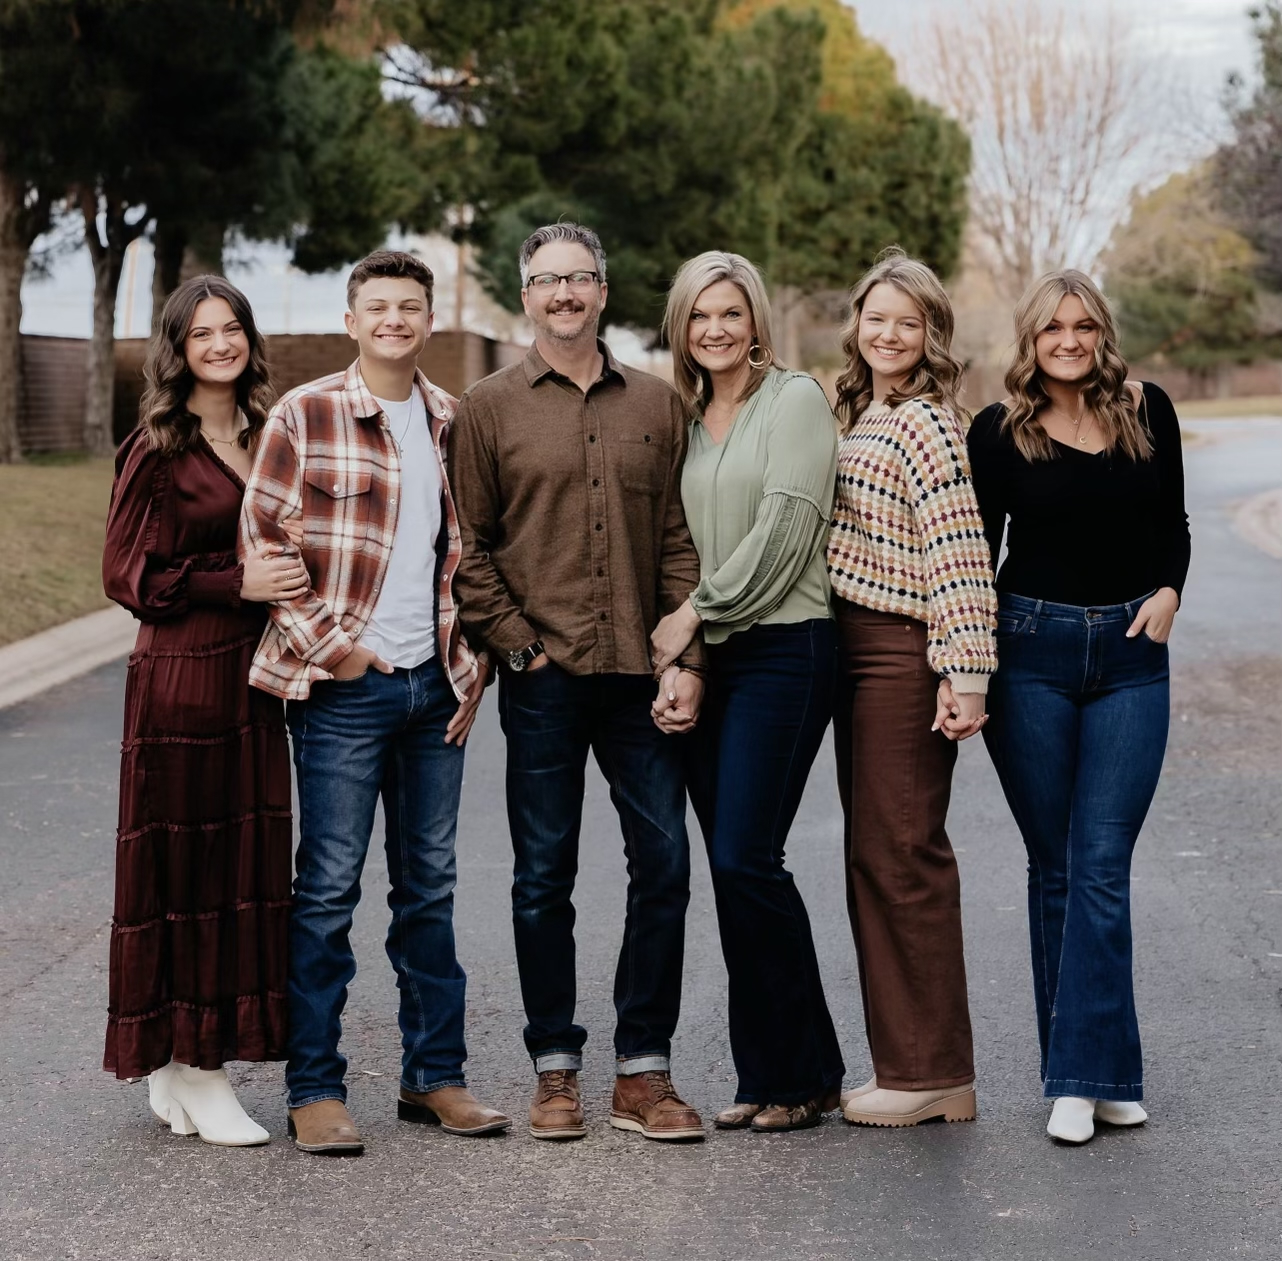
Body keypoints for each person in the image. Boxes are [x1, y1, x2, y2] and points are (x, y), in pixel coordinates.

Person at [239, 250, 509, 1156]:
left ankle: (434, 1076)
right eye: (377, 306)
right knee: (325, 893)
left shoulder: (454, 422)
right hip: (345, 692)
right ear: (351, 320)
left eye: (409, 306)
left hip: (435, 691)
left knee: (428, 890)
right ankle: (314, 1087)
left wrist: (469, 669)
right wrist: (336, 649)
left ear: (429, 321)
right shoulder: (304, 412)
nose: (394, 319)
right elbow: (265, 543)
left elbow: (474, 559)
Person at [448, 222, 706, 1143]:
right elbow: (469, 551)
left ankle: (644, 1071)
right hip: (545, 679)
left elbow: (681, 538)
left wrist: (686, 656)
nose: (565, 293)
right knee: (542, 877)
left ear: (604, 289)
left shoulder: (657, 403)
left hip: (642, 675)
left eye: (581, 278)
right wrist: (520, 651)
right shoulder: (487, 408)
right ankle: (554, 1066)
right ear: (526, 294)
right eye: (548, 279)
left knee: (665, 866)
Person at [968, 270, 1190, 1145]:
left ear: (1102, 332)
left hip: (1134, 655)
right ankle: (1091, 1076)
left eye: (1083, 325)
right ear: (1032, 338)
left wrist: (1172, 587)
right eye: (1053, 327)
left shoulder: (1149, 408)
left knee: (1102, 860)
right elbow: (977, 554)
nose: (1068, 339)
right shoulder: (999, 430)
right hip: (1033, 652)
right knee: (1055, 864)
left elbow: (1171, 523)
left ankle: (1083, 1072)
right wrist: (969, 668)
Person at [103, 276, 307, 1146]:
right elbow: (128, 576)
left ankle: (179, 1064)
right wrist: (238, 582)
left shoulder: (271, 435)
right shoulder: (155, 447)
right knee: (186, 872)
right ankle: (195, 1068)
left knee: (241, 869)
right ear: (177, 348)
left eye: (232, 330)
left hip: (254, 684)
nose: (220, 344)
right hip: (183, 679)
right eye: (202, 333)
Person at [648, 251, 845, 1132]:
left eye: (730, 313)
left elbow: (787, 529)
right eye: (699, 316)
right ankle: (769, 1075)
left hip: (784, 650)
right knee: (737, 874)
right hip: (710, 659)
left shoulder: (794, 399)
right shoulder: (684, 417)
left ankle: (806, 1072)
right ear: (680, 327)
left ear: (755, 319)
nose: (715, 330)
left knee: (745, 857)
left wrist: (693, 616)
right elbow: (676, 538)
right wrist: (684, 658)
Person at [826, 248, 997, 1128]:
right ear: (857, 323)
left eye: (908, 321)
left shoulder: (926, 422)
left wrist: (965, 672)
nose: (888, 333)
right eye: (876, 317)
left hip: (902, 650)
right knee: (875, 853)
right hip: (855, 648)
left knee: (904, 853)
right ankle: (915, 1063)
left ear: (931, 334)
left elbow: (960, 549)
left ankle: (933, 1071)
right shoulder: (864, 410)